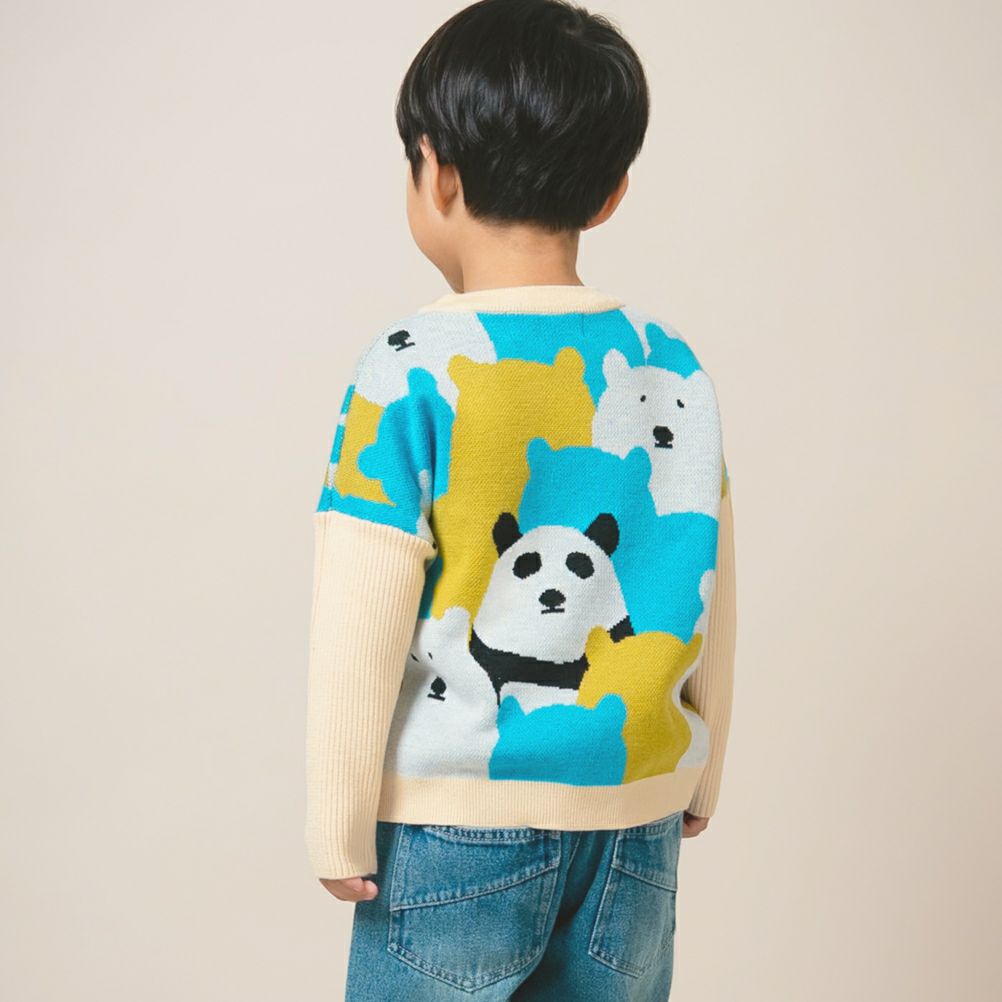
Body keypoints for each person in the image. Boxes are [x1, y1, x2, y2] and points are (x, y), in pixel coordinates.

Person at [304, 1, 737, 998]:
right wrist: (701, 766)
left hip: (456, 820)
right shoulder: (670, 363)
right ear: (614, 190)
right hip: (633, 816)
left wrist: (337, 815)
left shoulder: (407, 368)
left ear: (437, 172)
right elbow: (709, 574)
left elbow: (360, 606)